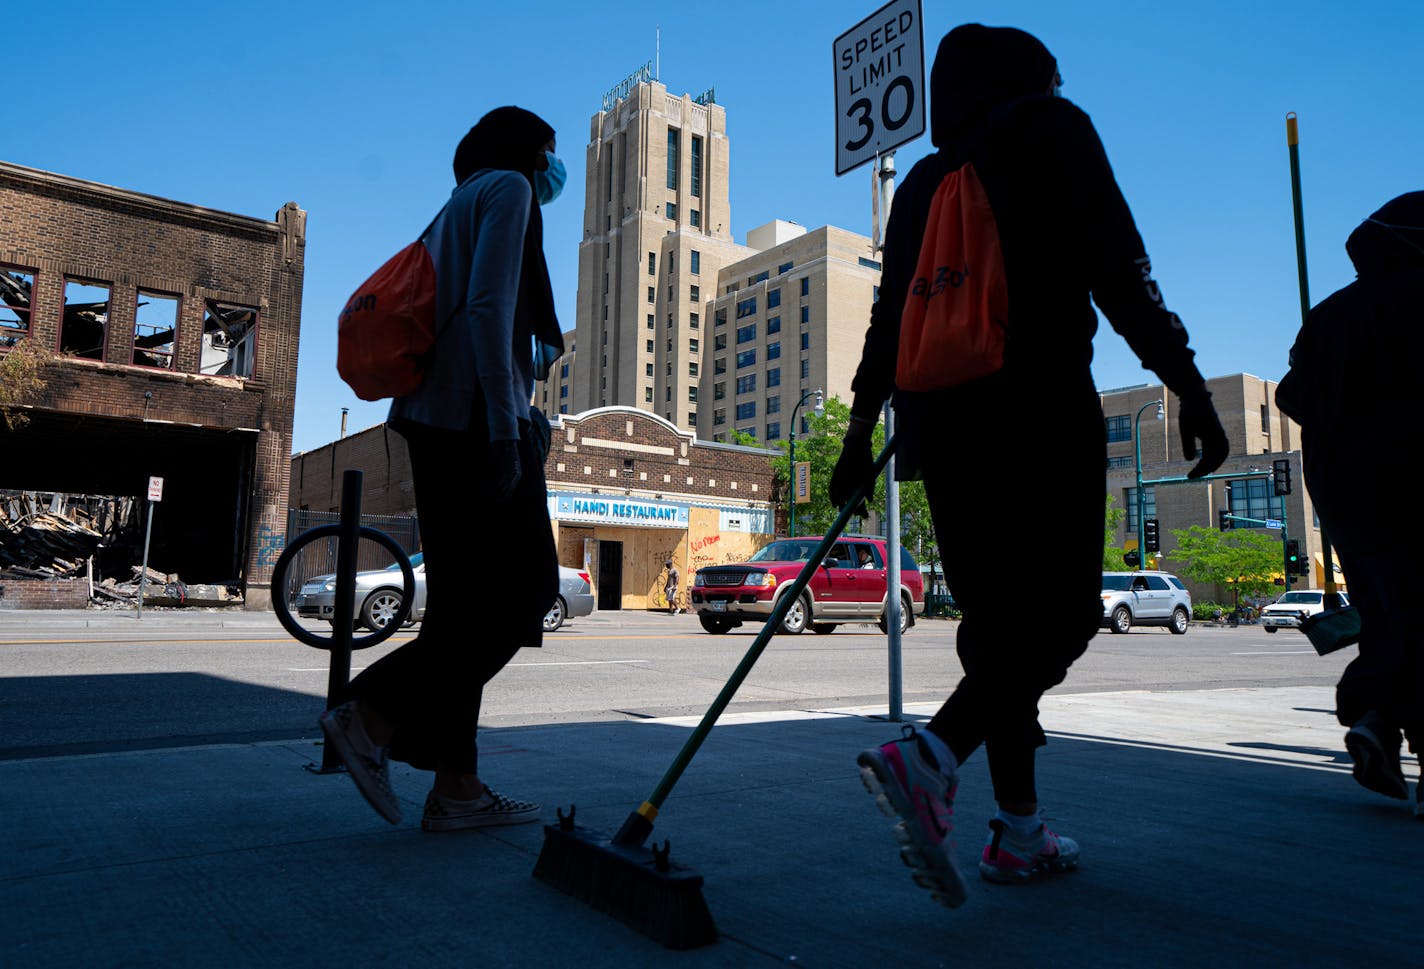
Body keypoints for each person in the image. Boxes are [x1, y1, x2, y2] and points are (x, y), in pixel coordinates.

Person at [831, 24, 1228, 907]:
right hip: (1038, 405)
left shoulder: (926, 181)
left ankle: (1018, 831)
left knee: (997, 630)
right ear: (1028, 79)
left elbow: (891, 315)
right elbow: (1122, 269)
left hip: (943, 427)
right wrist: (1188, 384)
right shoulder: (1053, 130)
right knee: (1060, 620)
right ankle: (932, 756)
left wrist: (860, 432)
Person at [319, 106, 566, 831]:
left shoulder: (453, 207)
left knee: (461, 612)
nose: (553, 170)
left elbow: (474, 318)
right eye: (548, 152)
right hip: (473, 427)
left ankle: (457, 787)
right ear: (524, 148)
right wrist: (504, 425)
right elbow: (490, 311)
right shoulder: (510, 190)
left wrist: (521, 407)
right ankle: (369, 714)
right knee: (526, 593)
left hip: (428, 423)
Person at [1276, 192, 1424, 815]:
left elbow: (1290, 396)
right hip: (1409, 479)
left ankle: (1375, 720)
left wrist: (1340, 420)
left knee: (1386, 610)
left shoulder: (1330, 315)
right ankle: (1375, 714)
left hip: (1342, 490)